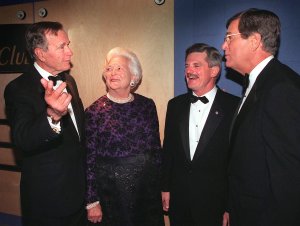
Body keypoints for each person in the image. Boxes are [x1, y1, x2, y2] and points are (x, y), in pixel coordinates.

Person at [222, 8, 300, 226]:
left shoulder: (282, 89)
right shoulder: (260, 84)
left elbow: (290, 178)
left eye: (229, 37)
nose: (223, 45)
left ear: (255, 41)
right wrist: (231, 206)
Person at [4, 21, 86, 226]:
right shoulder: (18, 88)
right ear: (40, 53)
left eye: (68, 44)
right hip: (48, 203)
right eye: (62, 47)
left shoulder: (69, 81)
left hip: (78, 197)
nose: (70, 52)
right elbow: (23, 139)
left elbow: (77, 138)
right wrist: (52, 116)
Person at [161, 43, 239, 226]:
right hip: (179, 200)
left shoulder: (234, 106)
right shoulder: (175, 105)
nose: (189, 70)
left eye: (196, 65)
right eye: (186, 66)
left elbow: (236, 162)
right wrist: (165, 187)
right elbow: (169, 150)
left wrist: (229, 205)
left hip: (214, 202)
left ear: (214, 71)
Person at [85, 47, 164, 226]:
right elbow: (88, 160)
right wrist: (92, 201)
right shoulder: (94, 112)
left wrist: (163, 186)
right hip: (113, 196)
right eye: (109, 69)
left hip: (147, 192)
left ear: (134, 76)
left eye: (119, 68)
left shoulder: (147, 105)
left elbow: (156, 149)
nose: (112, 73)